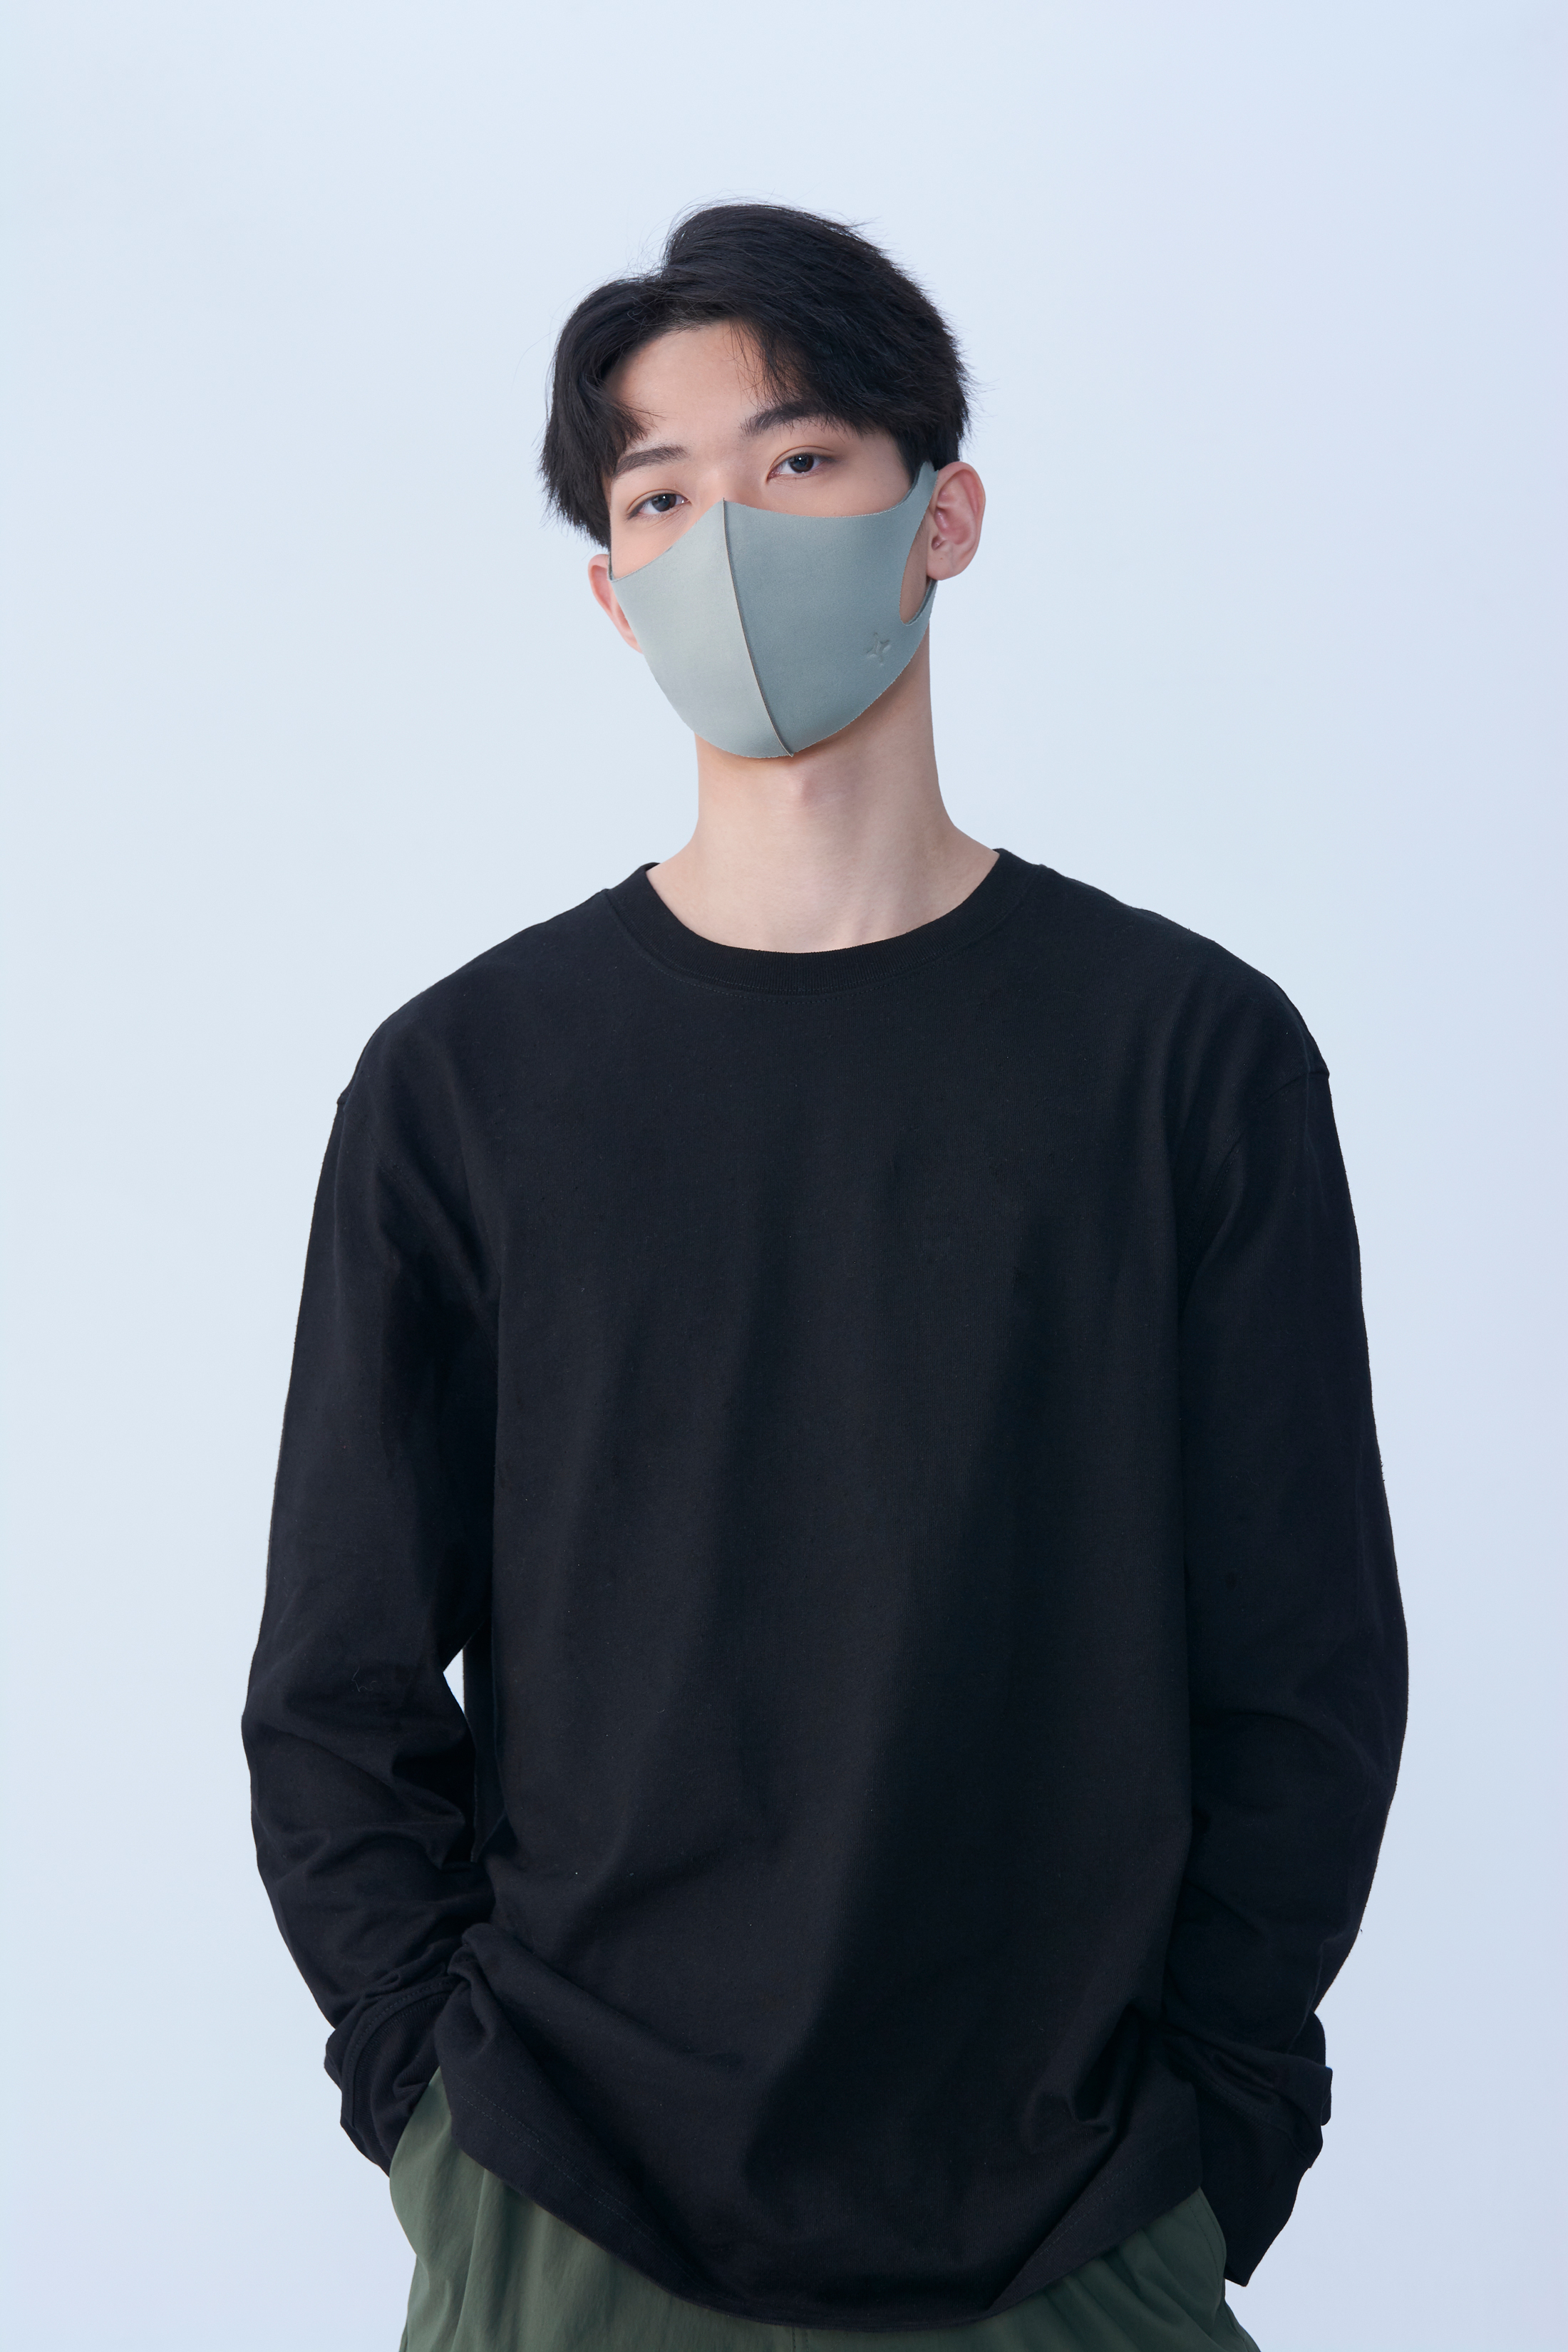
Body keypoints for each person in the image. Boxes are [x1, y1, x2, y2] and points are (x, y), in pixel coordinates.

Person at [242, 203, 1407, 2352]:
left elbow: (1305, 1668)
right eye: (658, 499)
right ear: (613, 594)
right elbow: (339, 1688)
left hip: (1073, 2223)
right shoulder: (468, 1084)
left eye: (793, 465)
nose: (725, 545)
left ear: (939, 513)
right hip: (574, 2208)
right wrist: (442, 2113)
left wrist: (1210, 2137)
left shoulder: (1186, 1058)